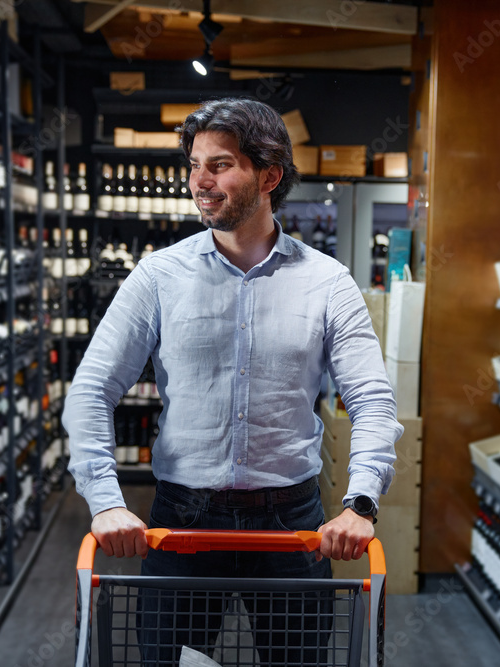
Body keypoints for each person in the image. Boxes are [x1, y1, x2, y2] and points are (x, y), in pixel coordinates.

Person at [63, 97, 403, 665]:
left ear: (269, 176)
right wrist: (104, 500)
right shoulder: (158, 276)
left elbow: (371, 401)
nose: (199, 181)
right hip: (182, 524)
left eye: (219, 165)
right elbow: (91, 390)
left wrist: (361, 502)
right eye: (194, 165)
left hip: (292, 525)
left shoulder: (328, 282)